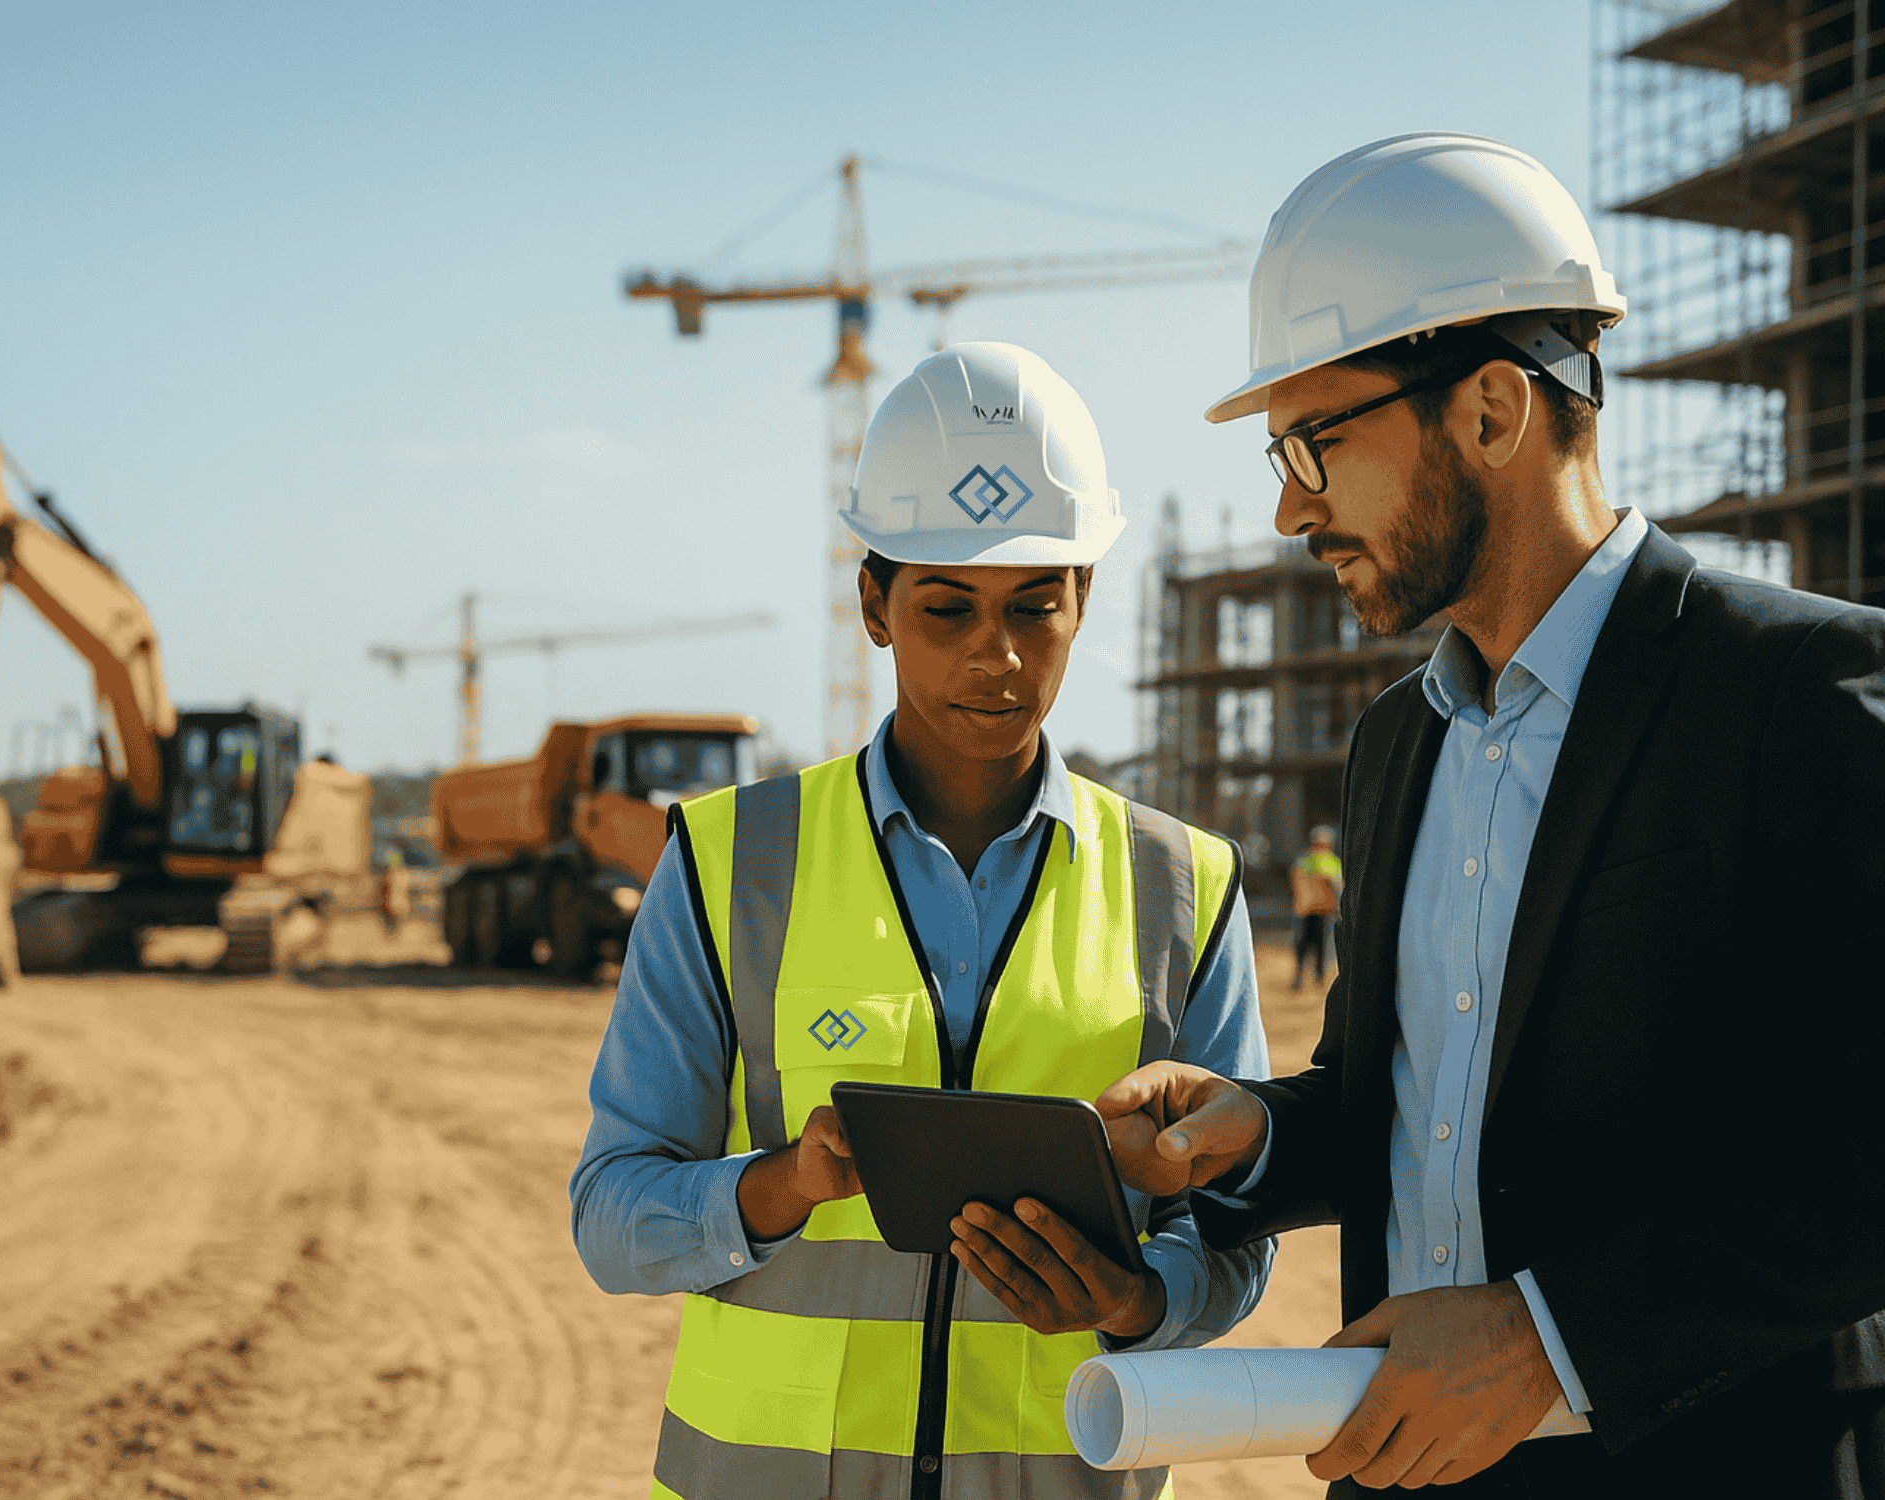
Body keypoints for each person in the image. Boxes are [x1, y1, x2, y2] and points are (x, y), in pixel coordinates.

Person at [1097, 133, 1885, 1497]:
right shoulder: (1400, 740)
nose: (1289, 508)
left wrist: (1551, 1342)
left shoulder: (1798, 692)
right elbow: (1404, 1103)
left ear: (1491, 412)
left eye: (1313, 443)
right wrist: (1259, 1130)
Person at [571, 342, 1276, 1500]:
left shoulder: (1183, 886)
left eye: (1033, 606)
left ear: (1083, 597)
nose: (994, 656)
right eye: (946, 607)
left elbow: (1237, 1235)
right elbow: (610, 1211)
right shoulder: (725, 861)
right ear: (872, 604)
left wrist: (1136, 1298)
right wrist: (779, 1186)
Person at [1289, 824, 1342, 989]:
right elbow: (1298, 881)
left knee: (1321, 947)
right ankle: (1299, 978)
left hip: (1323, 912)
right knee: (1303, 945)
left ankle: (1319, 978)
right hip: (1307, 911)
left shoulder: (1332, 861)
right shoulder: (1305, 861)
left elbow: (1338, 885)